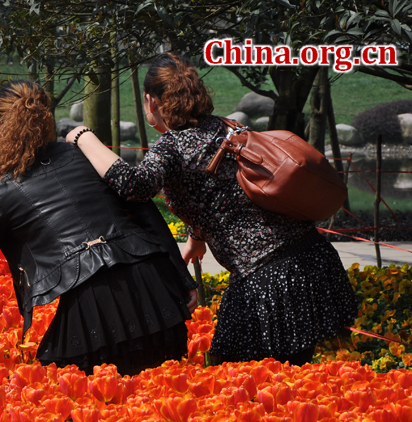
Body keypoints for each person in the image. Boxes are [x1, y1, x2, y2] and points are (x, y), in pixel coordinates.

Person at [0, 80, 198, 376]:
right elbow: (144, 211)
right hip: (154, 290)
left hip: (95, 302)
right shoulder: (82, 153)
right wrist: (181, 280)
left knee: (63, 398)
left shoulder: (1, 187)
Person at [67, 53, 357, 366]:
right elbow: (221, 192)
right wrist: (197, 236)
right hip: (312, 261)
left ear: (151, 102)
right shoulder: (230, 128)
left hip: (268, 281)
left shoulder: (173, 145)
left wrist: (84, 137)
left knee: (233, 387)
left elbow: (134, 185)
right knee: (286, 384)